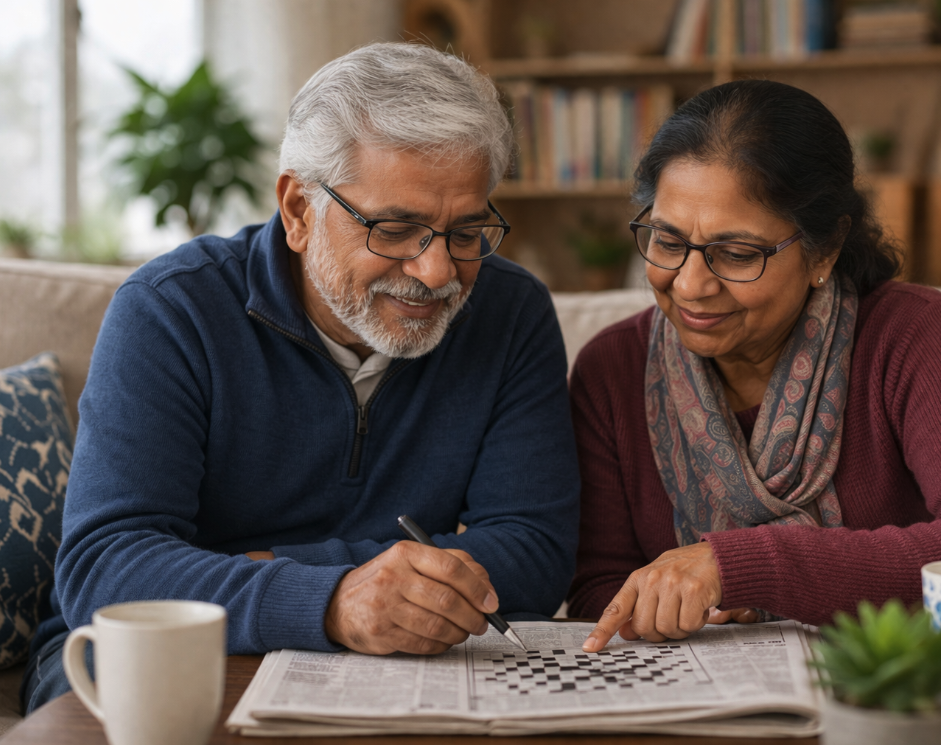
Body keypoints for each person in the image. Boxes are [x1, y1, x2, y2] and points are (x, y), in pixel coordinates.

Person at [23, 42, 580, 712]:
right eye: (396, 228)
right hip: (164, 654)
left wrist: (271, 566)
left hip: (406, 658)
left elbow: (535, 550)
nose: (438, 272)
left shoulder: (511, 312)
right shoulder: (171, 310)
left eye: (466, 231)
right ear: (297, 210)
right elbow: (105, 569)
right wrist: (333, 598)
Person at [567, 79, 941, 653]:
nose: (689, 284)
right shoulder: (612, 370)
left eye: (736, 254)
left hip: (892, 692)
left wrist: (739, 566)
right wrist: (665, 608)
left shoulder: (909, 336)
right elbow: (598, 593)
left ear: (824, 250)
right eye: (666, 240)